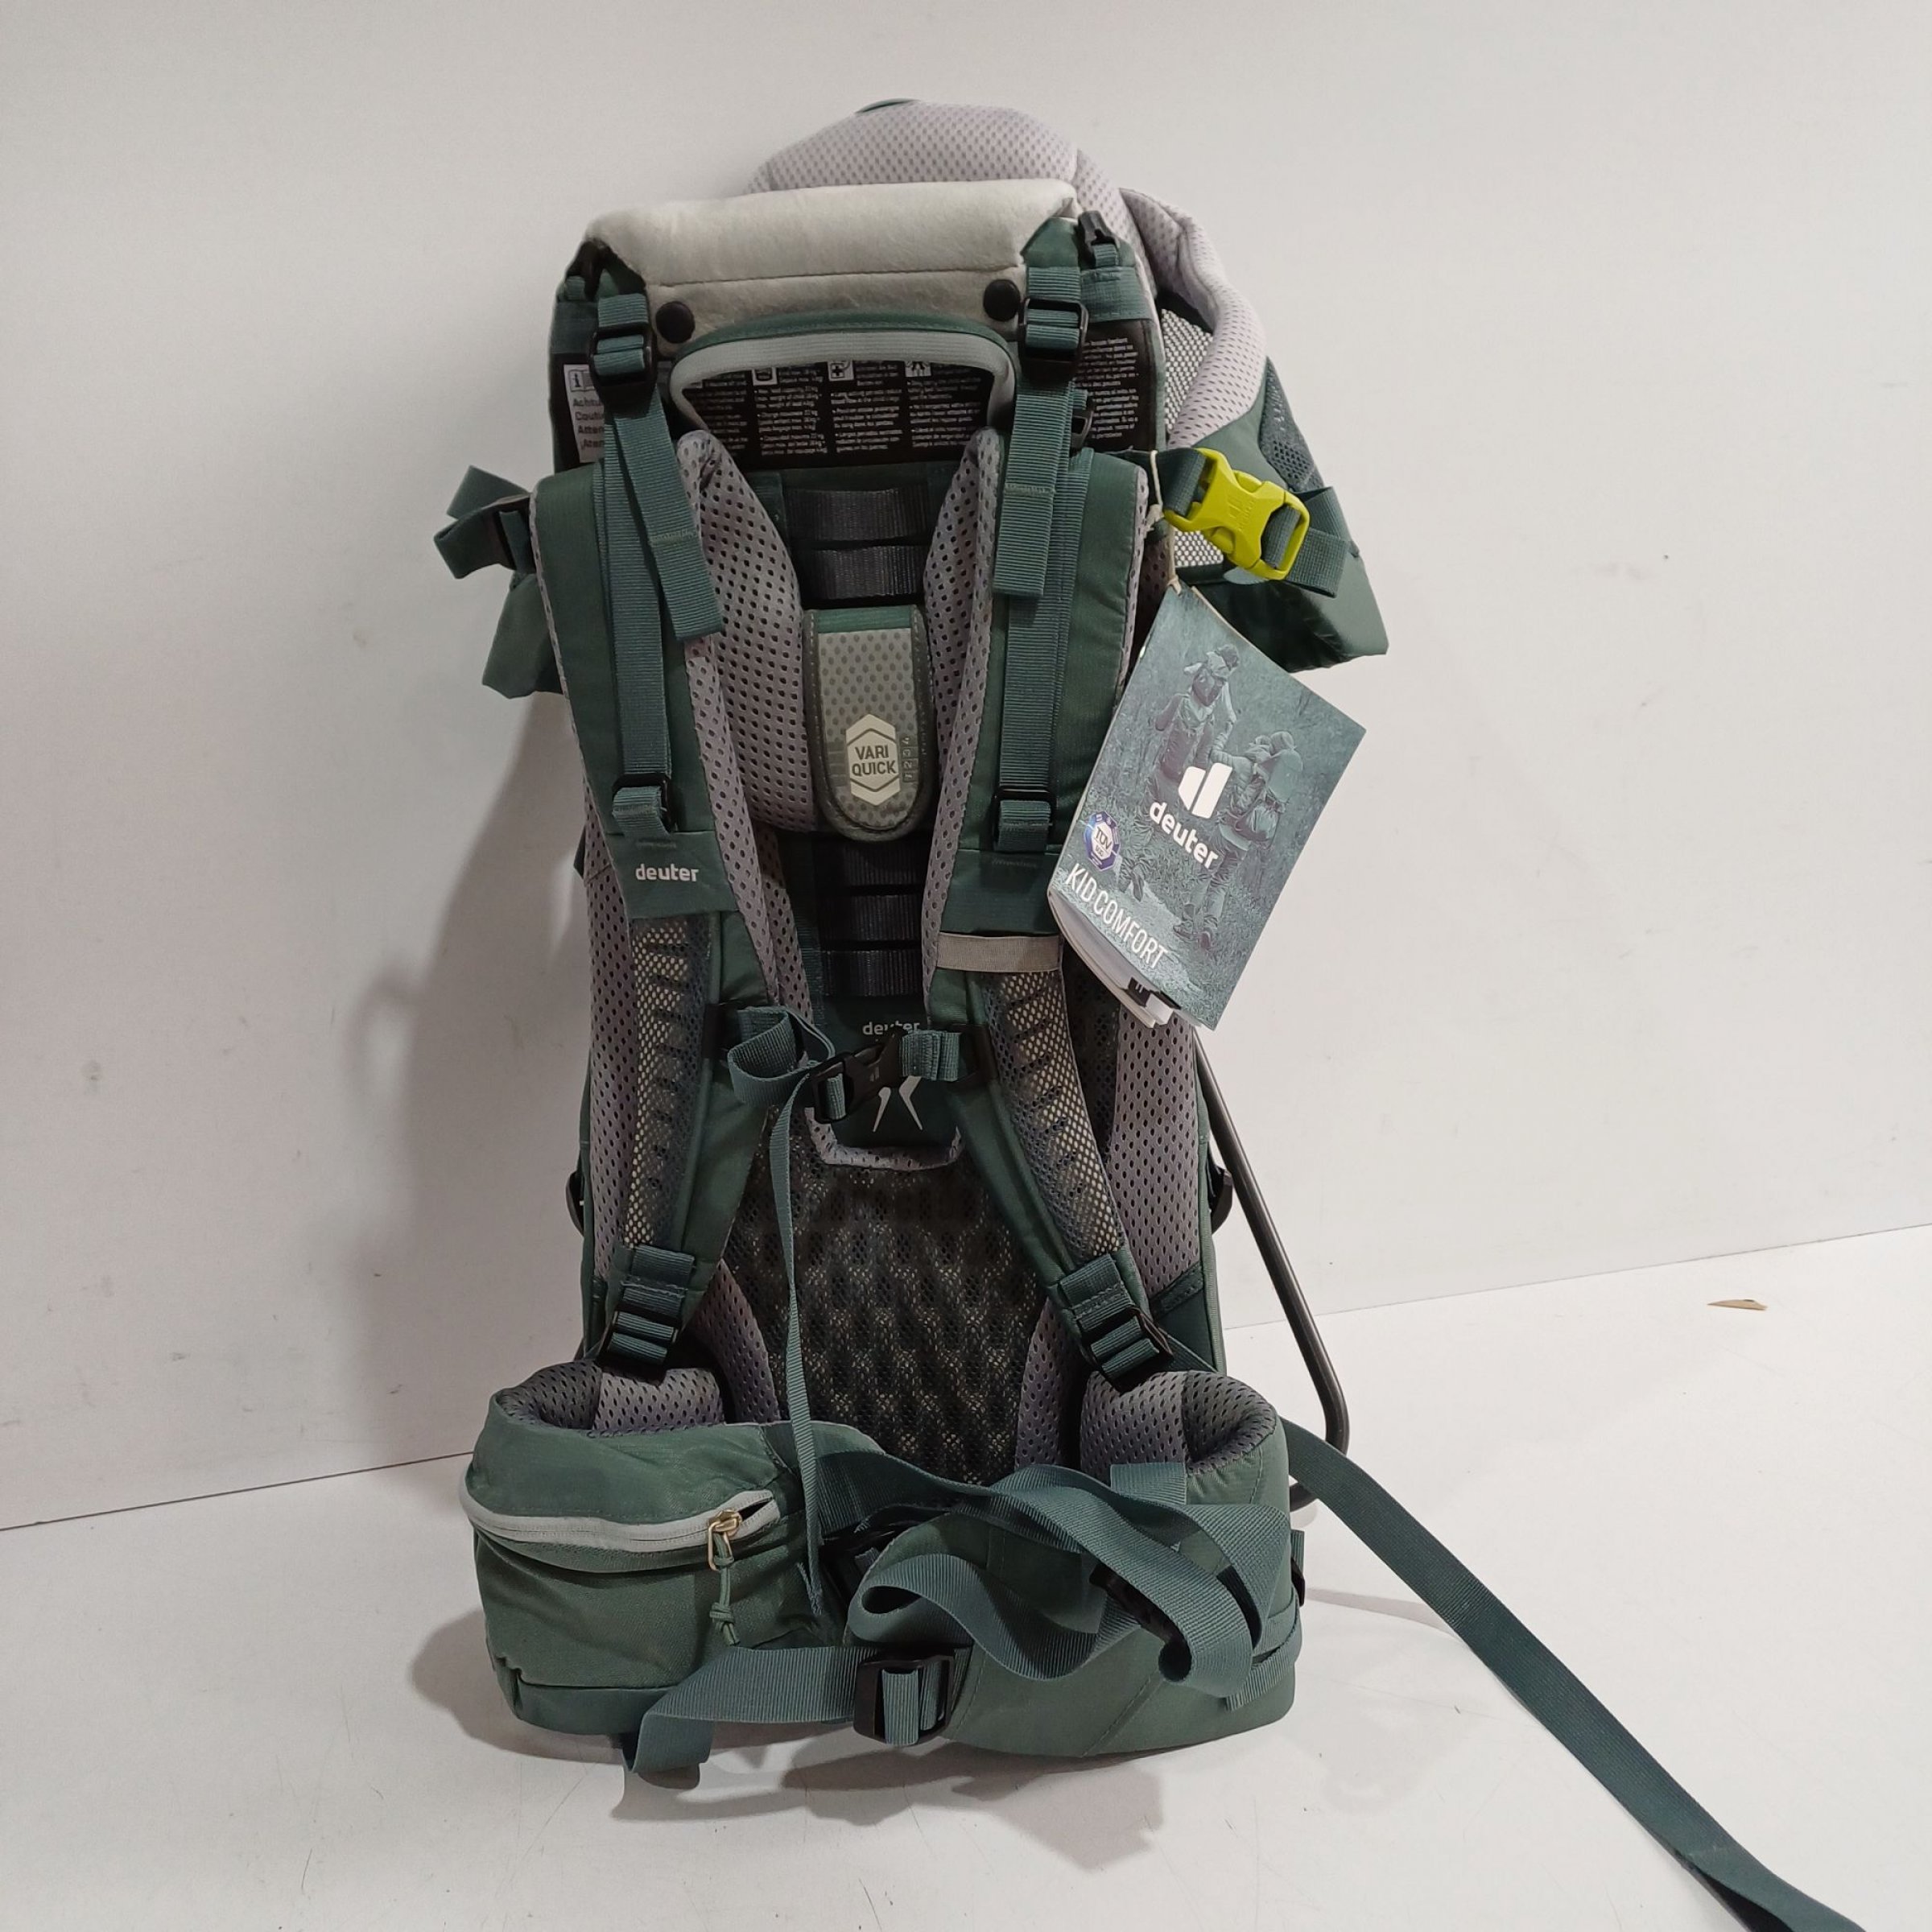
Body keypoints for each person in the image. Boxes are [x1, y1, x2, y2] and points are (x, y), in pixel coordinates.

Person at [1120, 639, 1240, 901]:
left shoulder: (1179, 700)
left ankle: (1124, 872)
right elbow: (1201, 765)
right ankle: (1142, 868)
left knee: (1143, 822)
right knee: (1164, 832)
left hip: (1160, 772)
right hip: (1179, 787)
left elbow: (1159, 724)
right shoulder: (1209, 728)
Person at [1175, 729, 1301, 952]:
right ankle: (1209, 928)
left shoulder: (1244, 763)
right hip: (1244, 844)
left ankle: (1186, 925)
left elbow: (1215, 755)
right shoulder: (1277, 783)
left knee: (1205, 875)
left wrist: (1222, 733)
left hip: (1225, 831)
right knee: (1221, 884)